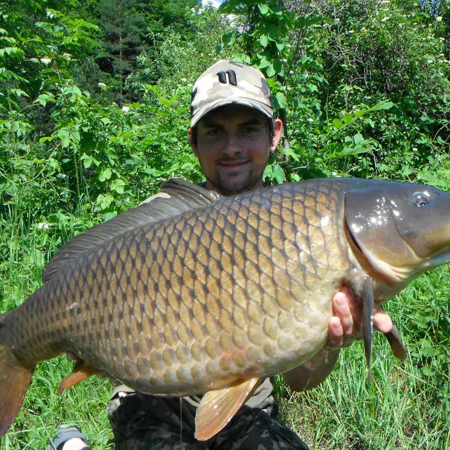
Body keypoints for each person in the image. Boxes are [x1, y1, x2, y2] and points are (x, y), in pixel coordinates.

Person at [49, 60, 393, 450]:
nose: (232, 148)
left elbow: (300, 381)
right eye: (215, 132)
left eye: (248, 129)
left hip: (246, 406)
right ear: (193, 141)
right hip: (152, 403)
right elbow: (82, 299)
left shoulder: (305, 230)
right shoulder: (158, 222)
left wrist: (327, 343)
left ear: (274, 134)